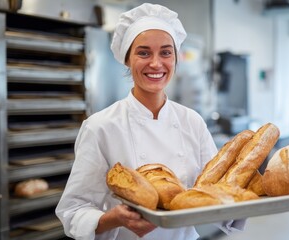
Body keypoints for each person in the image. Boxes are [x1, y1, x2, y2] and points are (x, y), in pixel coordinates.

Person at [56, 3, 244, 240]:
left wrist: (247, 200)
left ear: (176, 58)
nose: (156, 63)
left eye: (166, 52)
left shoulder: (192, 122)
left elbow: (214, 193)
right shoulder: (100, 127)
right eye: (143, 52)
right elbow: (73, 211)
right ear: (127, 59)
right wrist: (114, 218)